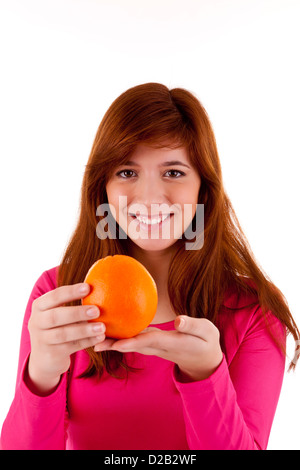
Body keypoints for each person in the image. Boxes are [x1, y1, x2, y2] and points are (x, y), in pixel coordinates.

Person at [1, 83, 299, 450]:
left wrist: (205, 376)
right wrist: (41, 372)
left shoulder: (254, 310)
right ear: (103, 189)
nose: (150, 197)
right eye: (127, 172)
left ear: (203, 190)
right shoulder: (57, 296)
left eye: (173, 172)